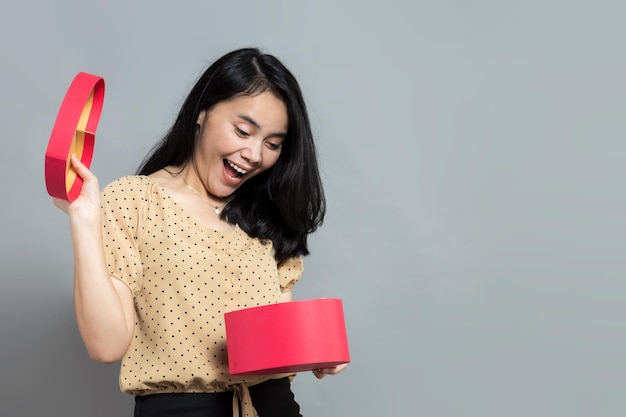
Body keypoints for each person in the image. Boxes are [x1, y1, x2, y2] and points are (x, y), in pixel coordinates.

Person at [53, 47, 346, 417]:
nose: (255, 154)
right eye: (243, 130)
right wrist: (82, 219)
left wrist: (315, 349)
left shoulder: (266, 215)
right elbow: (106, 346)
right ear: (203, 112)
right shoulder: (135, 200)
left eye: (272, 144)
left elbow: (275, 343)